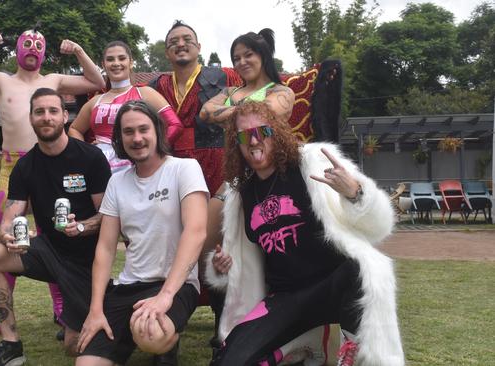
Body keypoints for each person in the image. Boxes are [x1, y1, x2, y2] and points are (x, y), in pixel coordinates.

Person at [204, 102, 404, 366]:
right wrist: (222, 268)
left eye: (262, 131)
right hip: (285, 298)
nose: (253, 139)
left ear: (276, 132)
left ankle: (350, 355)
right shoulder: (241, 194)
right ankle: (301, 346)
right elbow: (242, 264)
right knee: (228, 361)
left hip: (333, 285)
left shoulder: (312, 162)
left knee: (359, 268)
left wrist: (355, 192)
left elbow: (380, 227)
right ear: (236, 144)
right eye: (243, 135)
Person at [0, 27, 106, 340]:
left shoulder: (55, 80)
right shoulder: (0, 80)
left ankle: (60, 307)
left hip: (51, 168)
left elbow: (98, 82)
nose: (33, 47)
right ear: (17, 47)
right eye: (27, 43)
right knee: (10, 238)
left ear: (44, 51)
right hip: (13, 167)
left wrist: (78, 51)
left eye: (38, 44)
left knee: (56, 236)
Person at [0, 88, 111, 366]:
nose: (46, 117)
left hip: (85, 261)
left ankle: (92, 316)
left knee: (75, 347)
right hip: (47, 250)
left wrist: (82, 227)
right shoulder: (25, 166)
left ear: (64, 116)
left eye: (52, 111)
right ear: (31, 118)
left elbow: (109, 217)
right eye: (39, 112)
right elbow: (12, 212)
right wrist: (6, 233)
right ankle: (11, 345)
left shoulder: (91, 158)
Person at [74, 100, 209, 366]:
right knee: (86, 363)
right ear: (119, 138)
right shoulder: (117, 182)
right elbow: (105, 247)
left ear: (158, 131)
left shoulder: (184, 168)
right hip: (128, 285)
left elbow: (196, 232)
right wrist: (96, 309)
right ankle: (131, 337)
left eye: (143, 129)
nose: (137, 138)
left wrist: (165, 296)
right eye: (128, 132)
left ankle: (166, 347)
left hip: (174, 285)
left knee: (150, 335)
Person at [149, 20, 242, 194]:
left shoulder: (225, 77)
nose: (181, 44)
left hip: (217, 161)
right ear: (167, 53)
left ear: (198, 47)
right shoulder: (156, 85)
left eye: (187, 39)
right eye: (174, 42)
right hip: (170, 161)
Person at [68, 41, 183, 173]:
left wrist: (154, 150)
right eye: (110, 59)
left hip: (138, 166)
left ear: (131, 62)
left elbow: (175, 125)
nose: (116, 63)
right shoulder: (95, 101)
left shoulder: (145, 93)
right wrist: (86, 152)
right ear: (103, 65)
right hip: (99, 169)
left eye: (122, 58)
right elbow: (74, 129)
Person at [199, 28, 295, 127]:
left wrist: (220, 112)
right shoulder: (229, 91)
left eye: (248, 55)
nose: (242, 62)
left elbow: (257, 116)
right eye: (237, 59)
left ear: (264, 57)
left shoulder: (282, 92)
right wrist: (245, 111)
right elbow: (204, 112)